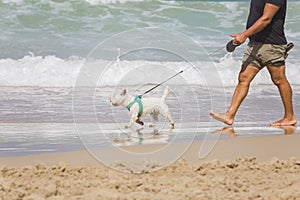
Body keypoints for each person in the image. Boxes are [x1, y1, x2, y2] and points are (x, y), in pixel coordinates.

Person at [210, 0, 297, 126]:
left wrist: (244, 35)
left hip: (272, 45)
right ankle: (230, 115)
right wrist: (246, 36)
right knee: (243, 78)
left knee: (279, 80)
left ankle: (289, 117)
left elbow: (266, 19)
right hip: (254, 44)